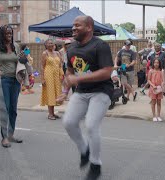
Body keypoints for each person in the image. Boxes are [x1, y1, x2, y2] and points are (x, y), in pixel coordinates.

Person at [57, 16, 113, 180]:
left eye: (77, 25)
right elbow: (70, 73)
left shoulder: (100, 45)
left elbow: (107, 71)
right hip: (81, 92)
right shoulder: (72, 49)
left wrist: (78, 79)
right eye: (73, 25)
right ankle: (84, 149)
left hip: (101, 90)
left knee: (91, 124)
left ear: (89, 27)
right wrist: (65, 91)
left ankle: (95, 164)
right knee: (68, 122)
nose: (73, 28)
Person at [40, 39, 64, 120]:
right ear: (46, 45)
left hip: (56, 75)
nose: (51, 44)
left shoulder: (57, 53)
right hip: (48, 75)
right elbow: (42, 67)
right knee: (50, 93)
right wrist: (42, 79)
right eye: (49, 43)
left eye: (52, 43)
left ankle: (53, 113)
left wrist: (62, 74)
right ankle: (50, 114)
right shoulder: (45, 53)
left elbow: (60, 65)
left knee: (55, 93)